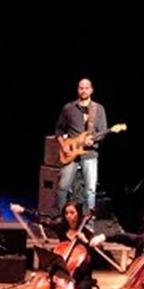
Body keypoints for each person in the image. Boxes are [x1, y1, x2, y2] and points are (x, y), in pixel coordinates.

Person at [24, 201, 96, 289]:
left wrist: (86, 241)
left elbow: (96, 256)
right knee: (46, 283)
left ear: (79, 214)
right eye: (66, 213)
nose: (69, 216)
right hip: (63, 269)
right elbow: (44, 221)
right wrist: (24, 211)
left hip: (81, 274)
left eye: (72, 213)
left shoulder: (87, 233)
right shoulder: (62, 228)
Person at [54, 77, 108, 216]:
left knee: (90, 190)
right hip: (70, 154)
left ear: (91, 90)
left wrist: (94, 140)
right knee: (62, 187)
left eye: (86, 88)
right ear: (78, 89)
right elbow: (59, 130)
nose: (83, 90)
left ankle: (87, 223)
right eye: (81, 88)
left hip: (90, 154)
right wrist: (63, 146)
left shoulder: (98, 109)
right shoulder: (68, 108)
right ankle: (62, 220)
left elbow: (102, 132)